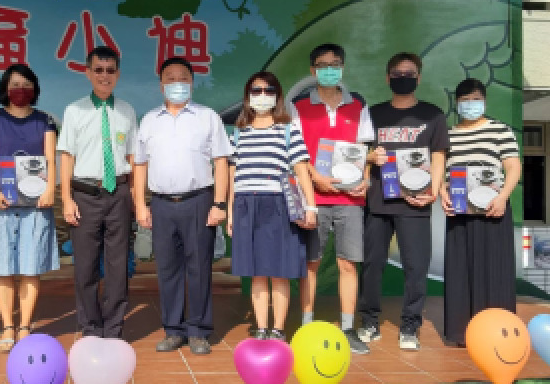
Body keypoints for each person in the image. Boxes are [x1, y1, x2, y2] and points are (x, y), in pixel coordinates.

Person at [133, 56, 232, 355]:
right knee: (167, 269)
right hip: (162, 204)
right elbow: (140, 165)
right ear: (161, 85)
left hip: (199, 201)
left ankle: (199, 331)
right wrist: (140, 205)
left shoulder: (207, 117)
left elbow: (221, 162)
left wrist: (219, 203)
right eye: (171, 78)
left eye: (183, 78)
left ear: (192, 82)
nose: (177, 83)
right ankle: (173, 330)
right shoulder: (149, 120)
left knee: (199, 268)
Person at [357, 52, 448, 351]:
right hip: (378, 202)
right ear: (388, 78)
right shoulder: (373, 114)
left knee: (415, 267)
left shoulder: (433, 115)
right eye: (397, 73)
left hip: (415, 203)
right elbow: (358, 153)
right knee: (372, 265)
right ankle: (369, 321)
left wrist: (433, 190)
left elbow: (438, 156)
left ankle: (410, 326)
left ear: (418, 78)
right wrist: (370, 158)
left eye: (409, 73)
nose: (403, 78)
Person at [289, 43, 374, 354]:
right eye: (322, 65)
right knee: (310, 264)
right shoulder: (298, 107)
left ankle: (348, 328)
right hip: (313, 198)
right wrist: (315, 177)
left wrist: (365, 179)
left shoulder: (358, 106)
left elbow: (364, 150)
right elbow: (295, 151)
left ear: (343, 68)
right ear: (313, 70)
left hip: (350, 200)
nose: (329, 70)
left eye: (335, 64)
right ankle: (307, 325)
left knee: (348, 264)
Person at [0, 64, 60, 352]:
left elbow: (50, 159)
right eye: (14, 85)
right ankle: (7, 326)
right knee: (3, 266)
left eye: (26, 84)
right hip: (2, 200)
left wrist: (50, 189)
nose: (20, 90)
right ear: (5, 88)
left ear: (35, 88)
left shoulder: (45, 120)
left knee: (30, 265)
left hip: (37, 203)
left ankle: (24, 325)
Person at [228, 71, 316, 342]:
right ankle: (261, 327)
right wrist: (230, 213)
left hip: (278, 205)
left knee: (279, 272)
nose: (262, 96)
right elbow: (232, 176)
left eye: (269, 91)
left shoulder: (288, 130)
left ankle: (278, 329)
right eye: (256, 91)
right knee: (256, 272)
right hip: (246, 205)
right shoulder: (238, 134)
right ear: (248, 96)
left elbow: (302, 171)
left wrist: (311, 207)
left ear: (277, 96)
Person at [58, 46, 137, 339]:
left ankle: (114, 327)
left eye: (110, 71)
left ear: (118, 74)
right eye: (99, 70)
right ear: (88, 73)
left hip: (119, 193)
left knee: (118, 265)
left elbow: (133, 158)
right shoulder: (74, 110)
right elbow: (66, 157)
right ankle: (90, 327)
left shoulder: (127, 111)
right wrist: (67, 200)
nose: (105, 76)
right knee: (86, 265)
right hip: (84, 194)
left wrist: (135, 199)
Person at [439, 78, 520, 346]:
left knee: (494, 271)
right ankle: (461, 332)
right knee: (460, 272)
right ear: (457, 103)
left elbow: (513, 166)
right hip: (459, 212)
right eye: (464, 100)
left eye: (475, 99)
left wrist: (503, 197)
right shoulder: (448, 134)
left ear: (484, 101)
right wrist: (442, 192)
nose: (470, 104)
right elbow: (440, 170)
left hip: (493, 210)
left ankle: (498, 331)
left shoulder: (500, 130)